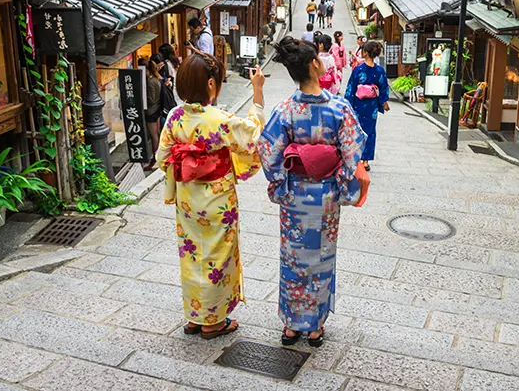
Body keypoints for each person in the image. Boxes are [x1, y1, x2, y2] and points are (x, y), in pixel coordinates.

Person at [257, 37, 366, 348]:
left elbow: (268, 151)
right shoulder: (339, 109)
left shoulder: (285, 110)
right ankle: (315, 326)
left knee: (292, 259)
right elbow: (352, 151)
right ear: (316, 65)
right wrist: (339, 178)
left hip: (294, 197)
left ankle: (292, 325)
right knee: (320, 258)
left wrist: (282, 180)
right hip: (327, 197)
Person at [156, 53, 266, 339]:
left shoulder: (175, 117)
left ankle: (195, 316)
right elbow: (253, 135)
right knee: (218, 254)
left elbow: (162, 157)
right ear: (210, 84)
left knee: (192, 254)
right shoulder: (221, 119)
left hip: (188, 199)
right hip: (218, 200)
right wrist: (257, 90)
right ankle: (213, 321)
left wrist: (188, 164)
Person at [345, 41, 390, 171]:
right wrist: (383, 102)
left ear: (365, 53)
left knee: (357, 131)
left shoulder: (358, 70)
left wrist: (348, 104)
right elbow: (383, 88)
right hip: (372, 107)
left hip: (358, 105)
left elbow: (351, 88)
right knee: (370, 132)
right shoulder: (379, 70)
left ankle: (357, 159)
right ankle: (365, 161)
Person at [144, 54, 165, 169]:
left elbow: (151, 99)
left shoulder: (151, 82)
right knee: (156, 133)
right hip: (156, 110)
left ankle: (155, 159)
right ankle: (157, 157)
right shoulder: (157, 79)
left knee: (154, 135)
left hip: (151, 111)